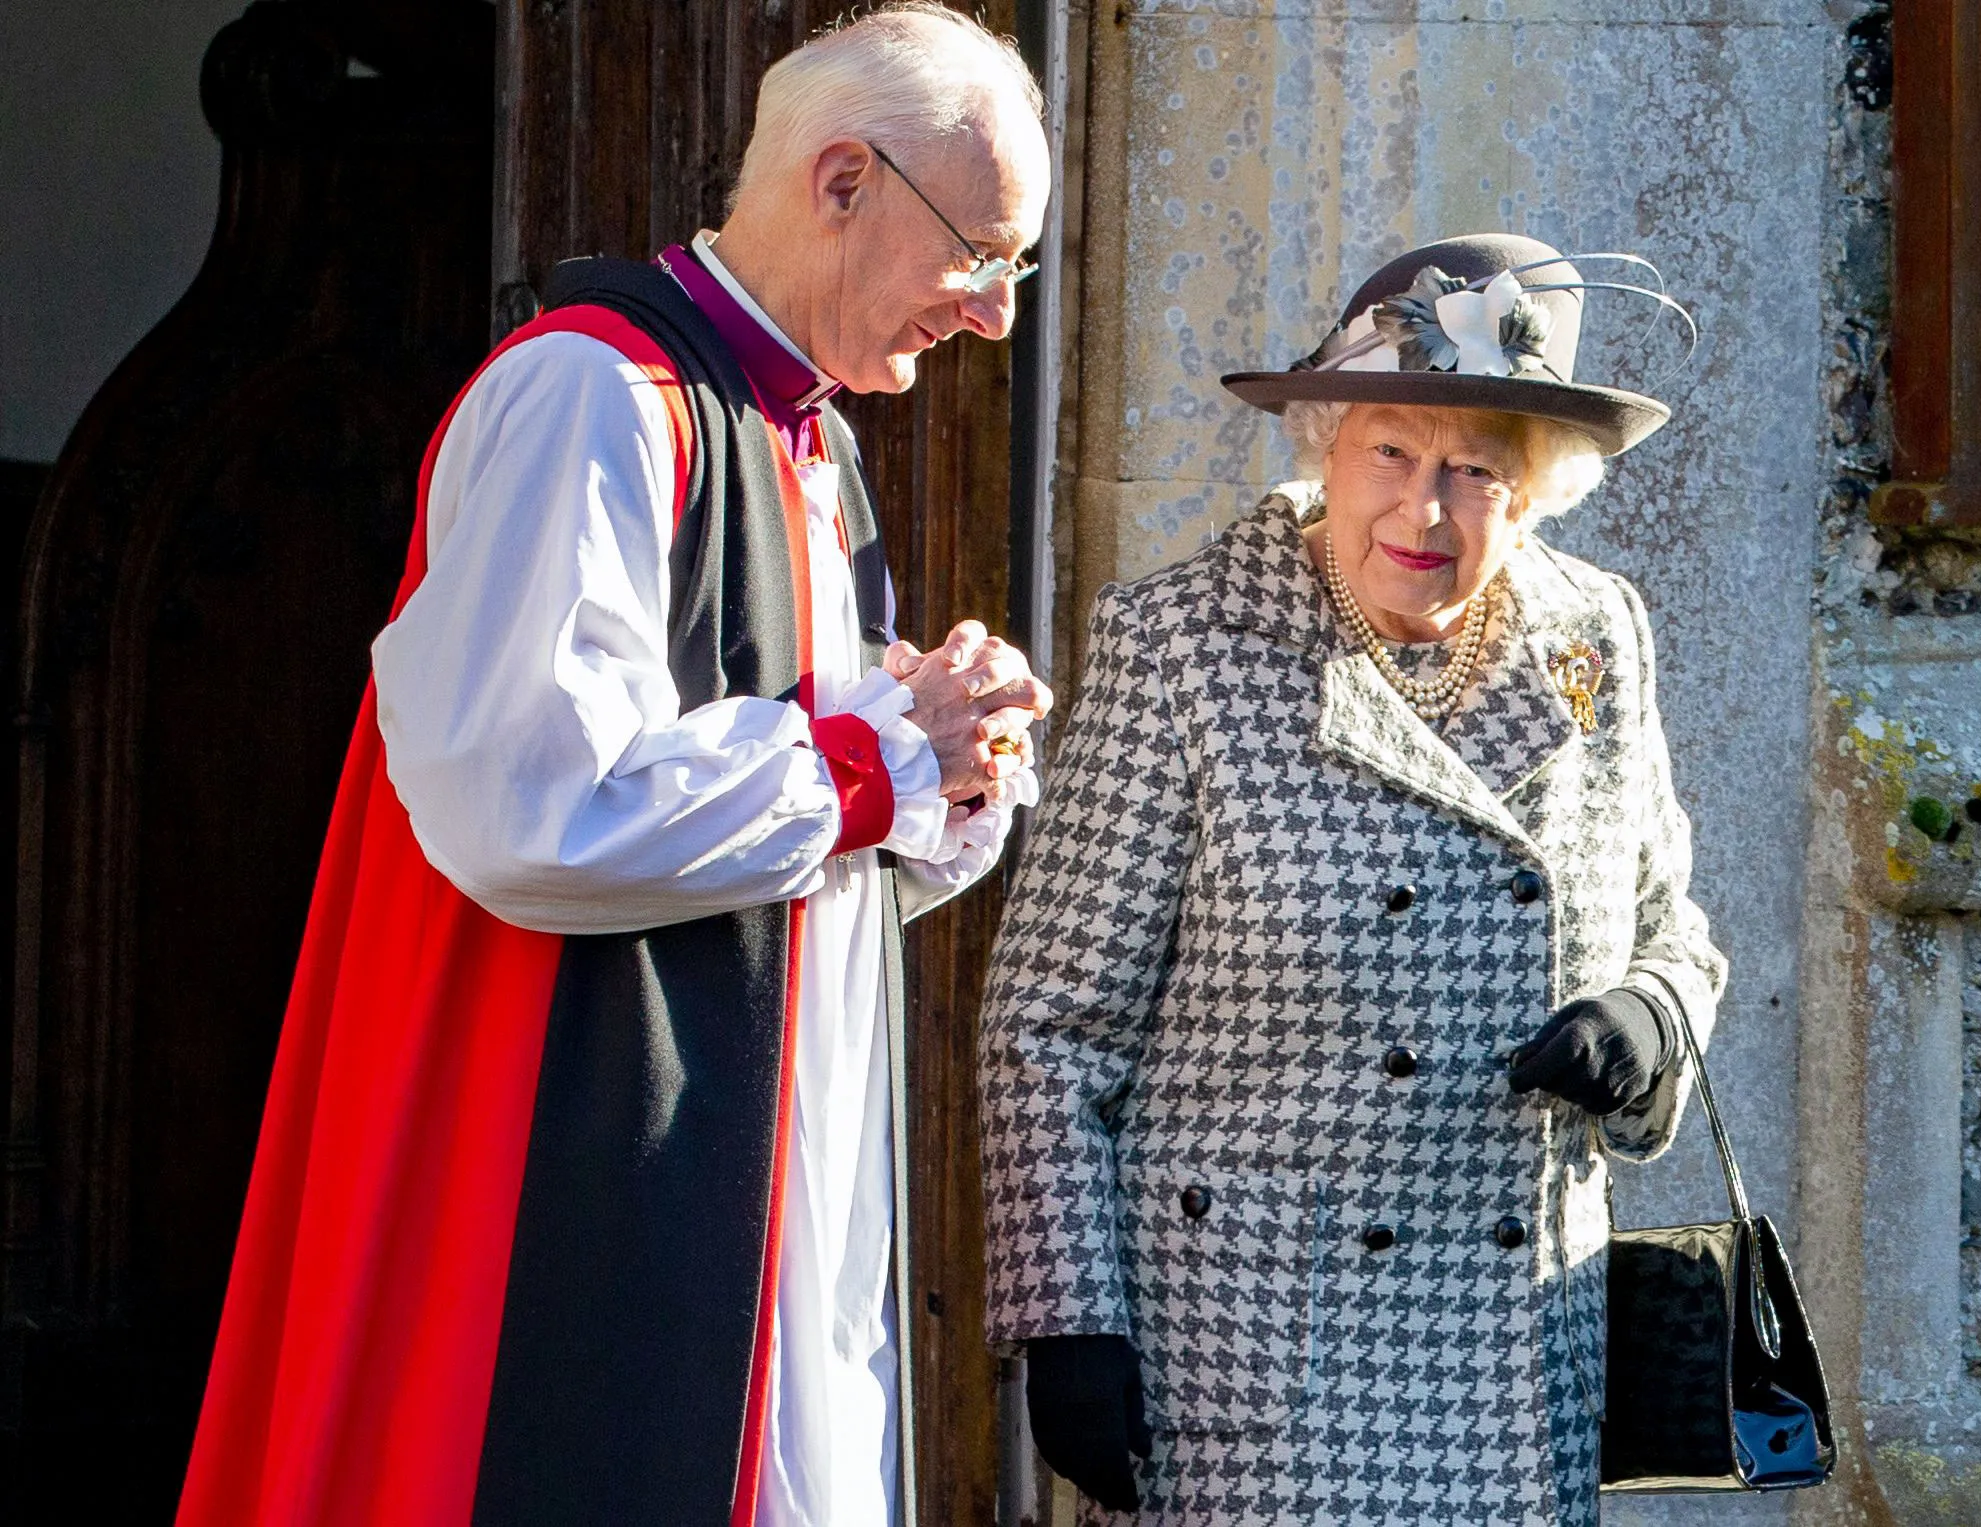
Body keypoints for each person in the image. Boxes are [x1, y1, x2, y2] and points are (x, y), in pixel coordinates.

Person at [176, 7, 1051, 1525]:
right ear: (841, 180)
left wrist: (941, 760)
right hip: (565, 1162)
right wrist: (870, 764)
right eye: (977, 256)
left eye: (1013, 273)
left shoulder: (808, 444)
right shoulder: (590, 396)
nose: (988, 317)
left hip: (757, 1168)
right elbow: (534, 801)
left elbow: (782, 824)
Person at [978, 233, 1728, 1524]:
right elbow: (1047, 1028)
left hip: (1516, 1346)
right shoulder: (1185, 643)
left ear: (1537, 490)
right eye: (1390, 451)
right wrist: (1066, 1320)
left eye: (1474, 471)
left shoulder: (1598, 636)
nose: (1421, 510)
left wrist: (1647, 1021)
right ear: (1327, 442)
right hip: (1256, 1368)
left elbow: (1678, 931)